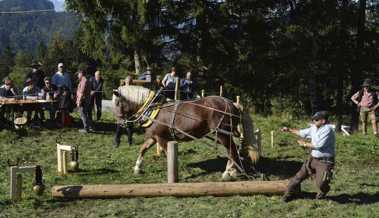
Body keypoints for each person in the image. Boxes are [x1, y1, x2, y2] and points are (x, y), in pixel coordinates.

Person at [281, 111, 335, 202]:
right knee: (297, 178)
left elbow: (318, 145)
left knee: (321, 184)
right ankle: (288, 195)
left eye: (316, 119)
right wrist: (289, 130)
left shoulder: (328, 130)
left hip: (325, 161)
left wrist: (304, 144)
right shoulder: (314, 128)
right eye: (313, 119)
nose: (314, 121)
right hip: (312, 159)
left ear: (323, 121)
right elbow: (302, 133)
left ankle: (324, 190)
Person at [113, 75, 134, 148]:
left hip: (125, 110)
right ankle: (128, 142)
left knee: (123, 127)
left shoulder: (121, 88)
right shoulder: (122, 89)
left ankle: (121, 142)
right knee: (126, 127)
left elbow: (115, 100)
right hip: (124, 110)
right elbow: (116, 99)